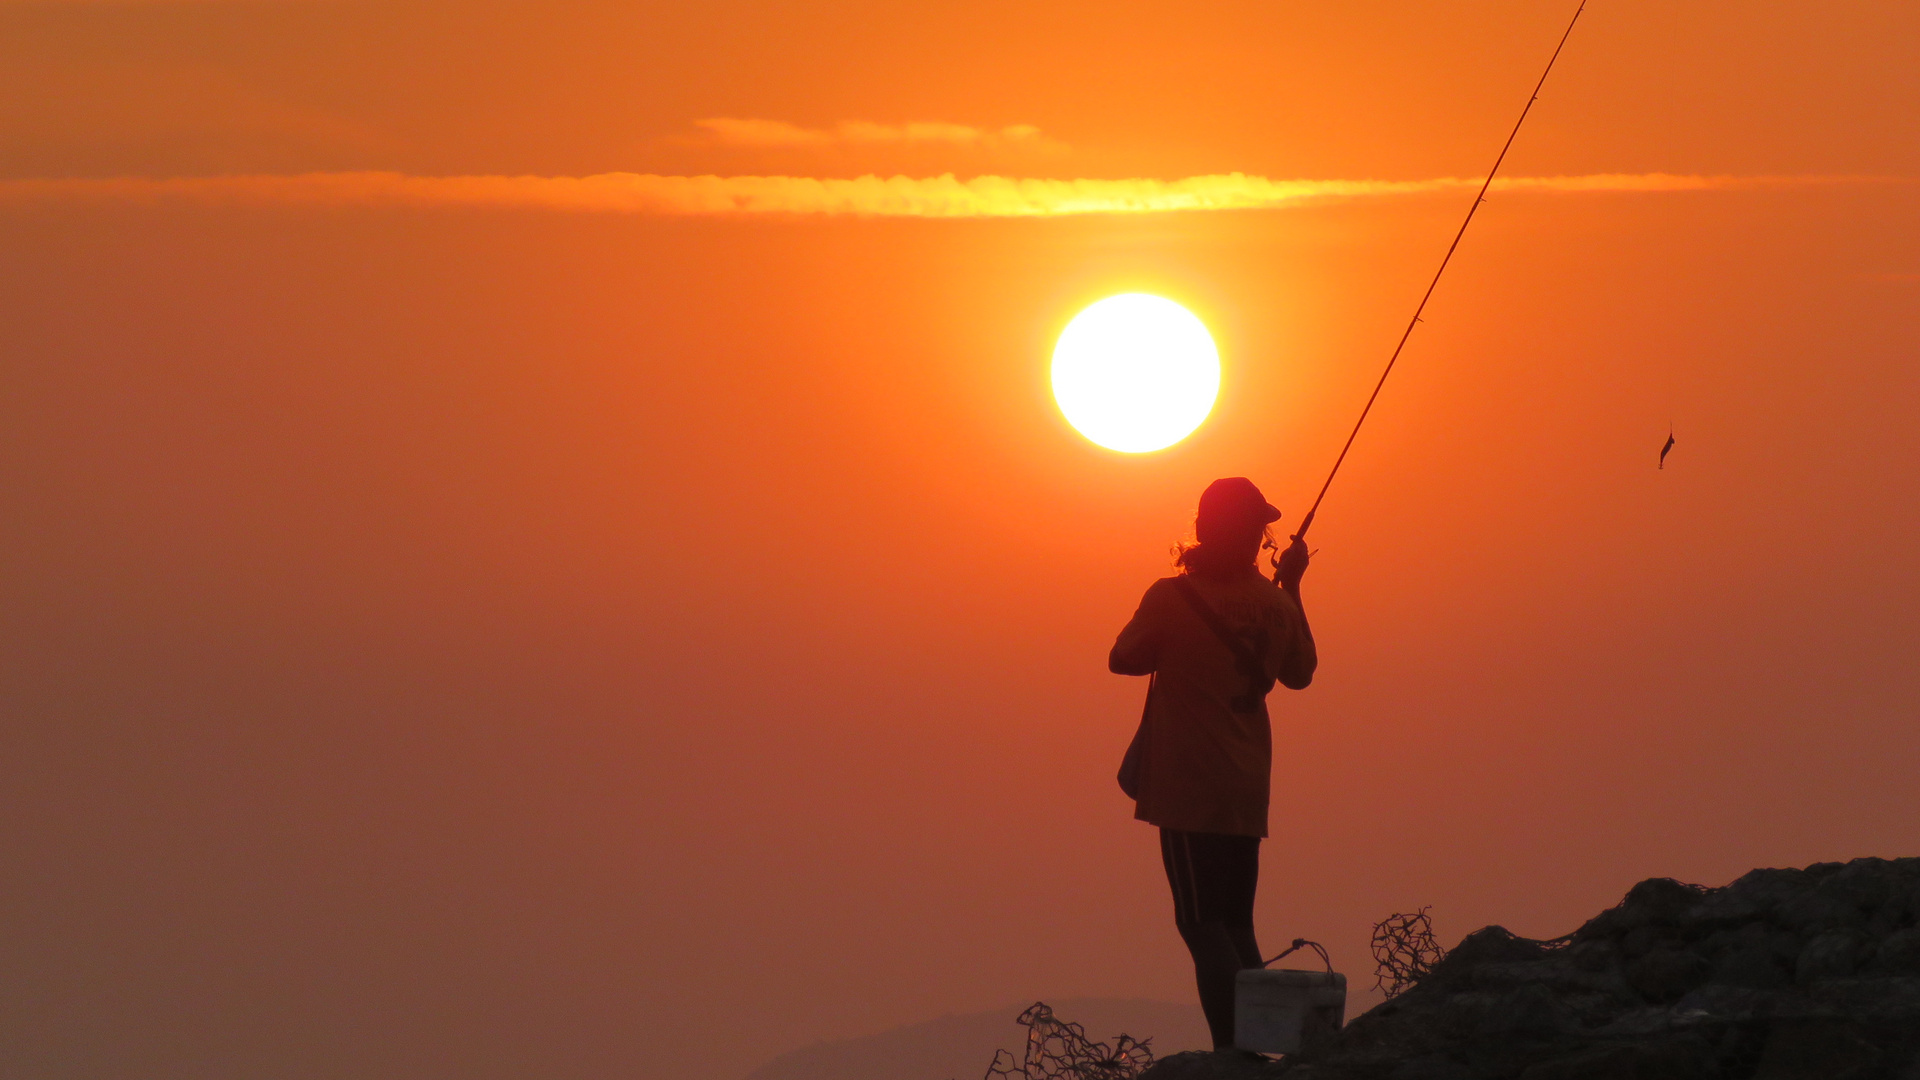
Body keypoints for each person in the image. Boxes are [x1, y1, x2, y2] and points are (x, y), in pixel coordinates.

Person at [1109, 477, 1317, 1052]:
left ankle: (1235, 1051)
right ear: (1257, 535)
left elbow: (1122, 658)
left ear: (1203, 529)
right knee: (1237, 923)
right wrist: (1293, 587)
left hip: (1187, 784)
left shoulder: (1171, 597)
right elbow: (1301, 672)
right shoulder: (1277, 603)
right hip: (1247, 785)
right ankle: (1266, 1044)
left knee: (1200, 923)